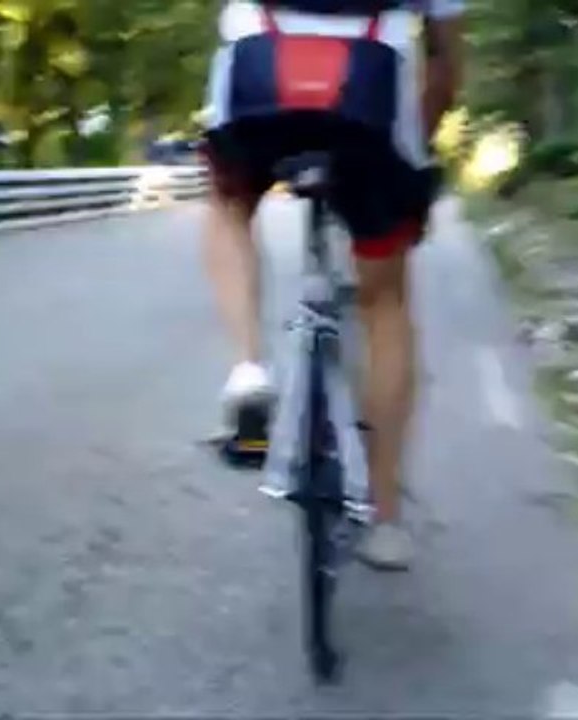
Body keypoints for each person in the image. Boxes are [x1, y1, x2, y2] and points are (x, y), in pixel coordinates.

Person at [198, 0, 464, 571]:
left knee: (228, 202)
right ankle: (386, 519)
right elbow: (445, 64)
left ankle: (248, 369)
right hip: (371, 93)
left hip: (258, 75)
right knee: (385, 300)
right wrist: (413, 145)